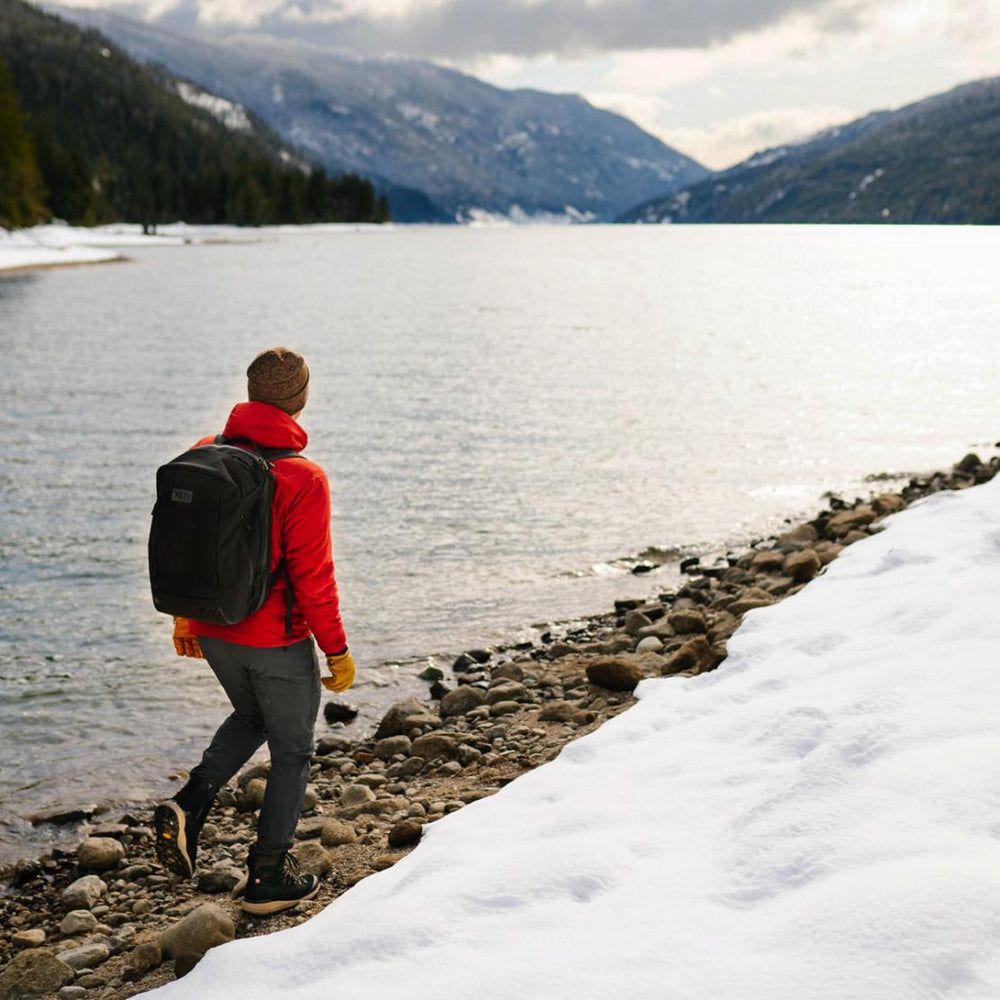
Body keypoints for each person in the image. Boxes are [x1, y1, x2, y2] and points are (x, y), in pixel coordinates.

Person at [153, 346, 355, 916]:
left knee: (251, 716)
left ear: (250, 392)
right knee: (292, 750)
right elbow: (315, 580)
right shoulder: (303, 477)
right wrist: (336, 651)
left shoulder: (202, 453)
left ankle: (192, 802)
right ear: (300, 399)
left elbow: (182, 547)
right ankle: (268, 875)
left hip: (215, 630)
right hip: (276, 642)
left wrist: (186, 619)